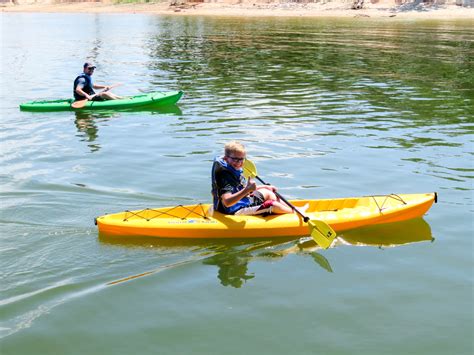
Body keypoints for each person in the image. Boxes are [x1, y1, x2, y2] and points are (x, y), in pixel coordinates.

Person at [211, 141, 303, 216]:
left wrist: (262, 187)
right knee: (272, 205)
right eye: (235, 159)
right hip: (231, 210)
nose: (239, 163)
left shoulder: (228, 165)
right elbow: (227, 202)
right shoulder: (223, 173)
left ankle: (291, 209)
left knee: (268, 192)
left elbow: (238, 188)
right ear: (226, 158)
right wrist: (247, 190)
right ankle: (294, 213)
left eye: (242, 159)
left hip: (240, 201)